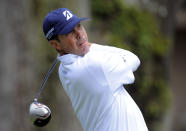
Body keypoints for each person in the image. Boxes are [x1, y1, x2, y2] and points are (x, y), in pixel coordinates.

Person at [43, 8, 148, 131]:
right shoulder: (93, 66)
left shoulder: (63, 69)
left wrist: (86, 45)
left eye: (79, 26)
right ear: (56, 44)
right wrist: (89, 45)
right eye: (70, 32)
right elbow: (133, 59)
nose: (80, 34)